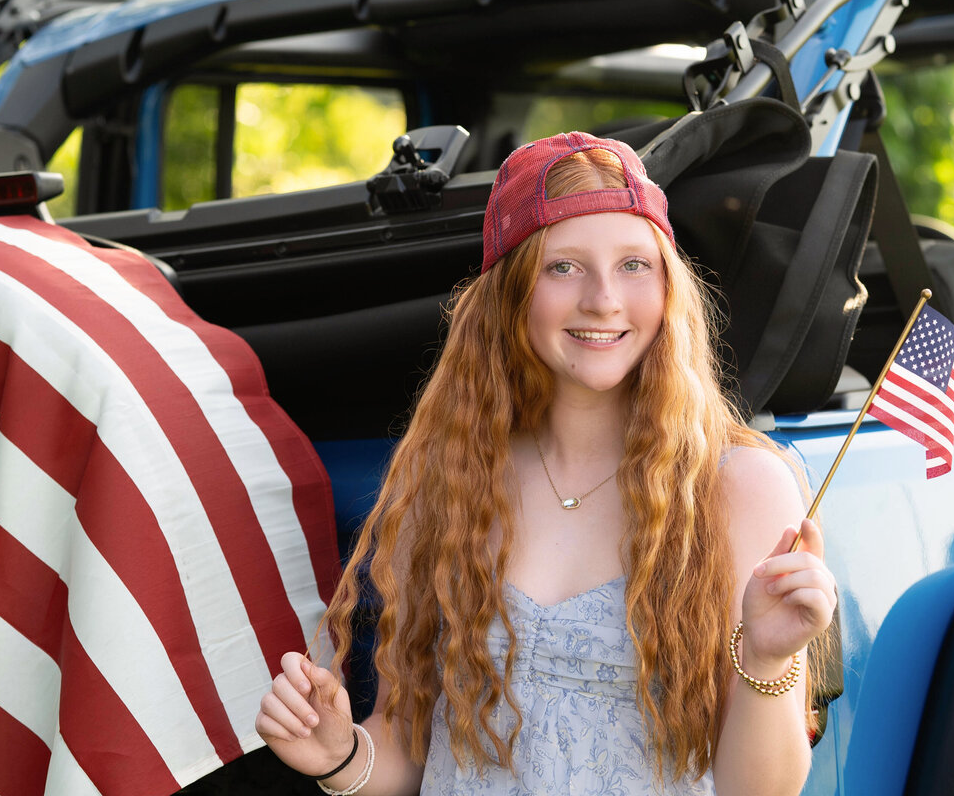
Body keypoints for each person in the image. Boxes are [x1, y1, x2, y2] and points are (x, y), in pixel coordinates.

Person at [255, 131, 837, 796]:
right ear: (510, 295)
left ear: (668, 286)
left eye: (633, 265)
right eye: (563, 267)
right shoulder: (449, 480)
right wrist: (339, 755)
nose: (603, 300)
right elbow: (408, 751)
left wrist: (768, 656)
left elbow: (757, 791)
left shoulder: (738, 487)